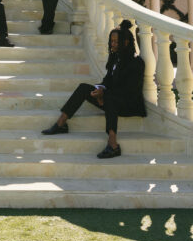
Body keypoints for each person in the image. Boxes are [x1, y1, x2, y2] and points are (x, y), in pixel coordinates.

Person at [42, 19, 146, 158]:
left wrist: (105, 94)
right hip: (111, 98)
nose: (113, 44)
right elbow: (108, 81)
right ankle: (61, 123)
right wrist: (99, 89)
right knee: (84, 88)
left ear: (126, 42)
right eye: (112, 41)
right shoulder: (115, 58)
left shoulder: (136, 63)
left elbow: (131, 91)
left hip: (129, 105)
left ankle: (113, 144)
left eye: (116, 42)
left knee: (110, 98)